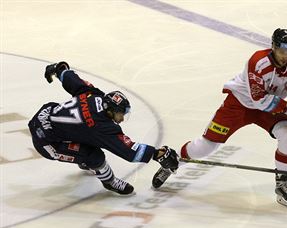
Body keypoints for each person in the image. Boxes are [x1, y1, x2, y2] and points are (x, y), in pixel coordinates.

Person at [152, 28, 287, 208]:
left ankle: (282, 183)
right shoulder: (258, 62)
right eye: (282, 50)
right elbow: (258, 99)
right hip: (238, 105)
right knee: (204, 148)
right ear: (273, 46)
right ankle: (173, 160)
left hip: (268, 109)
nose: (286, 55)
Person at [28, 61, 179, 195]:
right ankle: (109, 182)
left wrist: (59, 69)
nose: (121, 118)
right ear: (110, 110)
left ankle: (83, 159)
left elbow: (72, 80)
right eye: (120, 114)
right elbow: (129, 152)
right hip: (47, 141)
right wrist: (156, 154)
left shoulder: (94, 95)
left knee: (85, 133)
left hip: (46, 114)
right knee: (95, 157)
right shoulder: (102, 127)